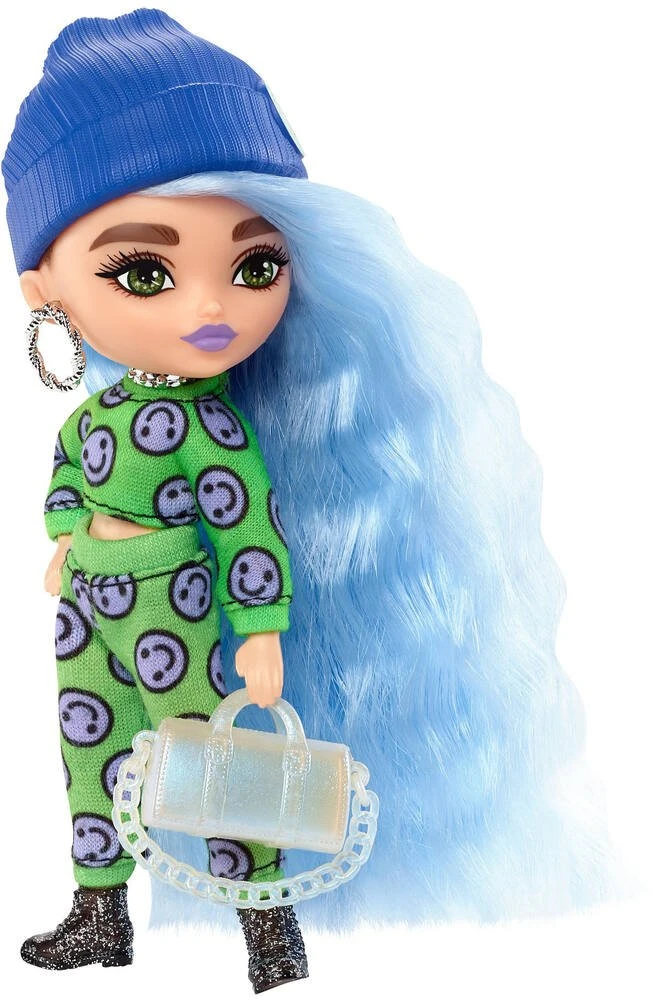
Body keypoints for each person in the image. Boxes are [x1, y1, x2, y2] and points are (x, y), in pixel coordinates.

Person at [2, 6, 617, 991]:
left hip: (172, 602)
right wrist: (68, 535)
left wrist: (259, 629)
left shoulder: (207, 428)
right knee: (88, 747)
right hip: (88, 606)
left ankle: (267, 922)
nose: (212, 305)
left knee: (216, 768)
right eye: (146, 271)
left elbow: (248, 526)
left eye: (254, 266)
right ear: (45, 292)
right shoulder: (95, 416)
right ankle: (99, 908)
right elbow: (68, 474)